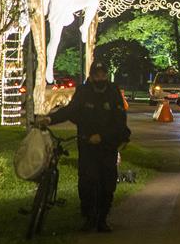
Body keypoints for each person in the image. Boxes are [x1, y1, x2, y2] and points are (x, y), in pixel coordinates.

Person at [36, 60, 131, 232]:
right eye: (97, 75)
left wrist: (103, 137)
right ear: (91, 76)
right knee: (87, 182)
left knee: (107, 184)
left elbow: (119, 122)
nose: (100, 78)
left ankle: (102, 219)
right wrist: (50, 119)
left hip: (107, 146)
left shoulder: (113, 92)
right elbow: (70, 111)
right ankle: (89, 217)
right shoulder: (83, 91)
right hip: (87, 144)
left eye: (103, 75)